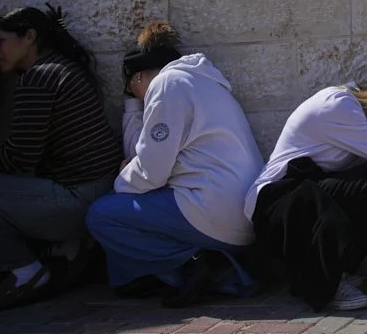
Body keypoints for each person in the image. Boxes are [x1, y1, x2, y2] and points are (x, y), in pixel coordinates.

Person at [0, 4, 120, 313]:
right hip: (99, 192)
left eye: (0, 42)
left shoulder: (38, 79)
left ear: (30, 37)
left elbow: (18, 159)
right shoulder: (60, 66)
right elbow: (9, 44)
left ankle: (25, 273)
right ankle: (66, 253)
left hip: (76, 202)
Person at [85, 22, 265, 306]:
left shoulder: (166, 85)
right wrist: (135, 106)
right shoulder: (202, 81)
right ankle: (200, 267)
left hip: (212, 212)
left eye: (132, 89)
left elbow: (150, 174)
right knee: (131, 206)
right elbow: (147, 149)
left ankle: (202, 267)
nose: (137, 98)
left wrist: (121, 177)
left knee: (102, 215)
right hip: (242, 215)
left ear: (139, 76)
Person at [247, 68, 367, 313]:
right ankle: (323, 282)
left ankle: (338, 270)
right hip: (277, 204)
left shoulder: (365, 129)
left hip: (310, 197)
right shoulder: (337, 105)